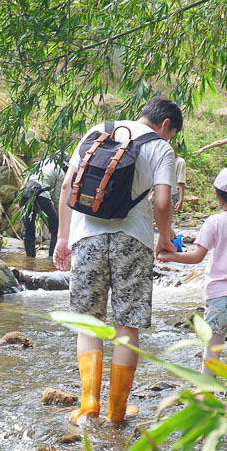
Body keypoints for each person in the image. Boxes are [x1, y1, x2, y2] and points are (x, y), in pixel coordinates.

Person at [53, 97, 181, 426]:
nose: (170, 140)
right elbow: (164, 201)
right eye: (172, 134)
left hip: (86, 237)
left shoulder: (98, 131)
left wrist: (62, 238)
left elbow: (68, 186)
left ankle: (89, 404)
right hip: (133, 240)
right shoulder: (161, 149)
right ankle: (117, 412)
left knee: (88, 322)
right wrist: (164, 237)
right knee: (127, 327)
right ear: (166, 125)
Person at [157, 167, 227, 419]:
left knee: (213, 349)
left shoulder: (214, 222)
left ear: (217, 195)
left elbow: (196, 257)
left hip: (220, 297)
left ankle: (207, 398)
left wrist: (169, 256)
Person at [21, 153, 65, 258]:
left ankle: (29, 261)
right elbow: (56, 198)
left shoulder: (39, 164)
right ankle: (52, 260)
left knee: (28, 231)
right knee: (56, 229)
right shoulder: (60, 171)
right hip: (40, 196)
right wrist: (58, 215)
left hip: (23, 194)